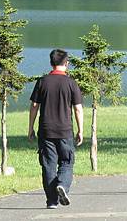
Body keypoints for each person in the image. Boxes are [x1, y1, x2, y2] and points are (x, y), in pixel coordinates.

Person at [28, 49, 83, 209]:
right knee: (67, 162)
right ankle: (63, 186)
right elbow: (78, 108)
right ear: (67, 63)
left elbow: (34, 105)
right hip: (65, 131)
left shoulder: (42, 81)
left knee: (48, 165)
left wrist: (30, 128)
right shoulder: (71, 83)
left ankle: (52, 201)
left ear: (51, 63)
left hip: (46, 131)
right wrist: (80, 130)